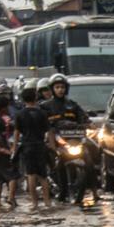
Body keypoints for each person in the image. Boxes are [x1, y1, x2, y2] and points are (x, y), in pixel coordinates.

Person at [40, 73, 91, 203]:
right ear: (52, 89)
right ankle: (56, 187)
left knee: (89, 159)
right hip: (54, 141)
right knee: (51, 161)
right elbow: (40, 122)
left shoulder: (72, 105)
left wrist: (88, 124)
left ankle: (93, 189)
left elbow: (83, 117)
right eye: (57, 87)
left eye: (62, 87)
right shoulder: (45, 106)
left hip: (73, 140)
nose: (60, 90)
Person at [12, 84, 52, 209]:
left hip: (27, 146)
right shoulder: (42, 113)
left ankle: (34, 203)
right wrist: (52, 147)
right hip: (40, 145)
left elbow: (17, 132)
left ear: (23, 99)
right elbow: (49, 131)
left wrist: (14, 147)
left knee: (31, 174)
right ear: (35, 98)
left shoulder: (19, 114)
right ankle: (47, 201)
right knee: (43, 175)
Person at [0, 94, 17, 208]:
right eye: (6, 107)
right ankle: (11, 198)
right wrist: (2, 149)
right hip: (0, 152)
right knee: (12, 176)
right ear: (3, 108)